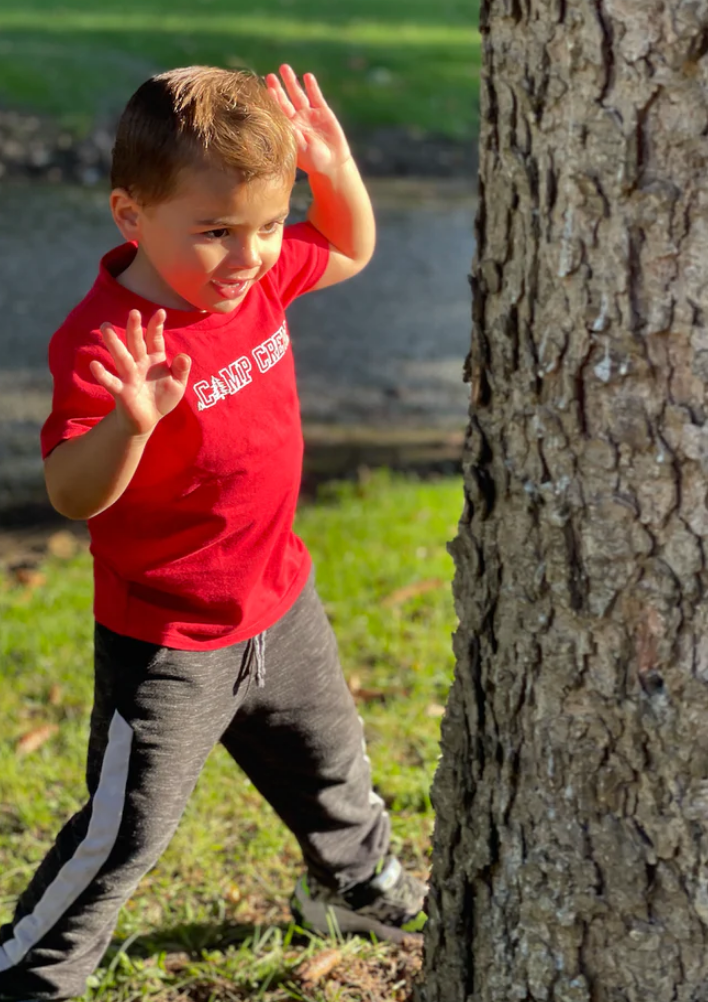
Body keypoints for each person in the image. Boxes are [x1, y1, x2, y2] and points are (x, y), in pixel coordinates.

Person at [0, 63, 426, 1002]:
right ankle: (32, 970)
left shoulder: (256, 285)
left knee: (333, 767)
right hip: (169, 641)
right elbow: (73, 494)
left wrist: (334, 165)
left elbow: (349, 248)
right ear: (130, 216)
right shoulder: (109, 337)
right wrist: (129, 425)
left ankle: (359, 891)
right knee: (128, 829)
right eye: (216, 233)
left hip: (281, 597)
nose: (250, 255)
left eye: (269, 227)